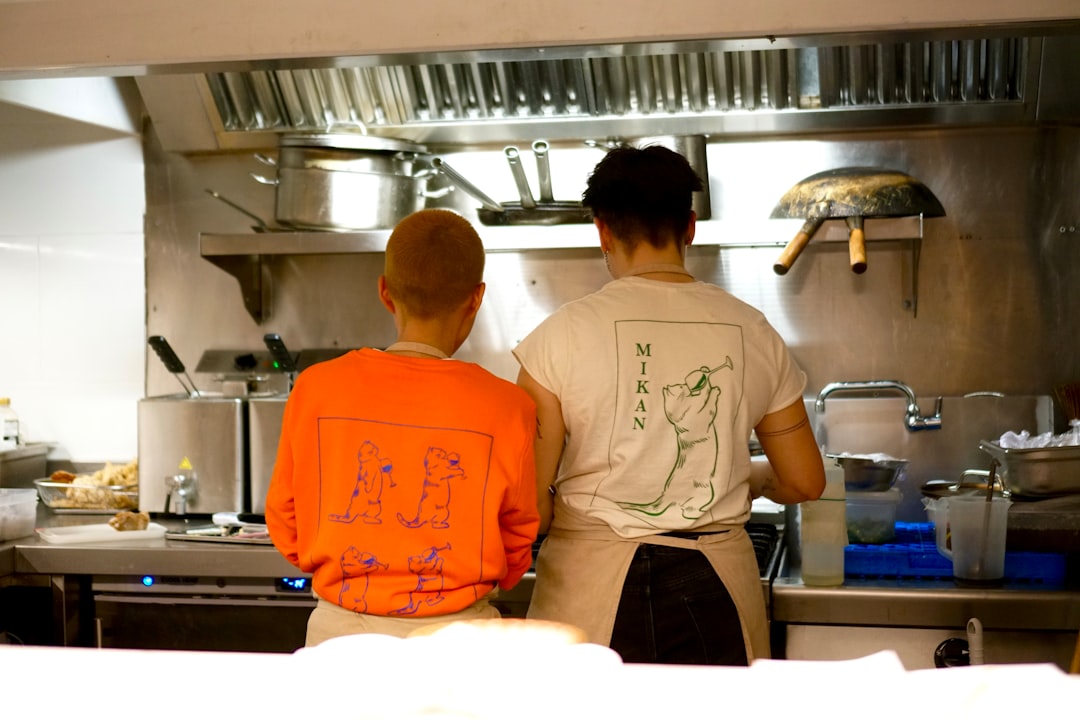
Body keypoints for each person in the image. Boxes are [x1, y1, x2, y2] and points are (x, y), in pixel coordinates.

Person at [512, 144, 825, 666]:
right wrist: (742, 475)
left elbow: (531, 509)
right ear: (690, 227)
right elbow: (805, 481)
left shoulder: (556, 338)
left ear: (603, 232)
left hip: (588, 591)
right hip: (717, 588)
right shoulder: (754, 331)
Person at [266, 208, 540, 646]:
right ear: (476, 298)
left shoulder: (316, 387)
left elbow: (285, 517)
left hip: (340, 635)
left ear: (384, 292)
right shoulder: (510, 406)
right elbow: (518, 534)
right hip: (461, 640)